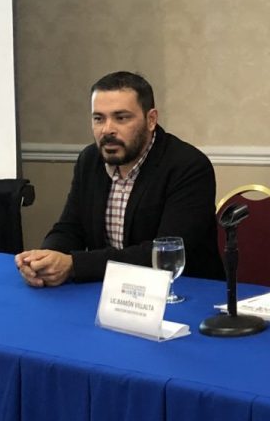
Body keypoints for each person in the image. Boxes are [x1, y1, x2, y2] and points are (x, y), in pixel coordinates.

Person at [15, 71, 223, 287]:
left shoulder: (188, 166)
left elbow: (164, 253)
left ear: (151, 120)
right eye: (98, 118)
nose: (107, 130)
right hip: (108, 290)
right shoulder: (90, 160)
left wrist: (74, 264)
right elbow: (70, 228)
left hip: (184, 291)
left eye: (121, 118)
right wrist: (45, 259)